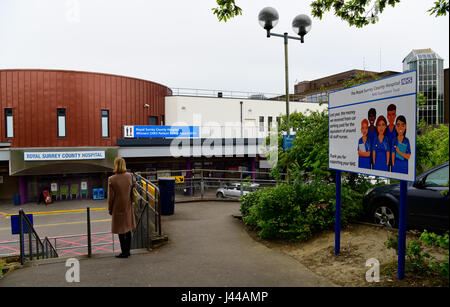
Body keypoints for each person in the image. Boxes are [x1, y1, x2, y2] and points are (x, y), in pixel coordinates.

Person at [108, 157, 136, 258]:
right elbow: (134, 190)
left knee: (120, 230)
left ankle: (123, 252)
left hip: (117, 207)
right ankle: (128, 251)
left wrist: (110, 209)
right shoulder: (130, 176)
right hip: (128, 206)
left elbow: (111, 197)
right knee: (128, 229)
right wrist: (132, 201)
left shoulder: (111, 179)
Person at [386, 104, 397, 169]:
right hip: (385, 158)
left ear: (395, 115)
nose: (391, 117)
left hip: (395, 158)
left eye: (393, 114)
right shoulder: (384, 129)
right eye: (389, 115)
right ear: (387, 116)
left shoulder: (398, 130)